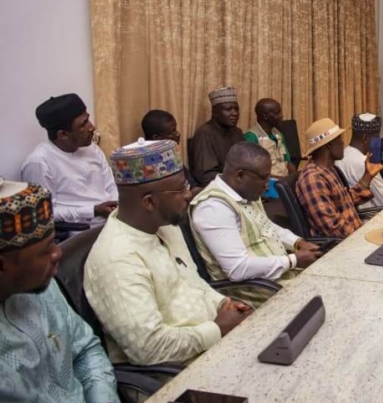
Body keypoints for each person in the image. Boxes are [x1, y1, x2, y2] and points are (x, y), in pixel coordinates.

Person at [84, 139, 252, 366]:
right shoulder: (116, 258)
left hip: (215, 348)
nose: (188, 194)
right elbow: (149, 348)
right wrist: (218, 328)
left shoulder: (166, 226)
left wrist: (224, 304)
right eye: (181, 188)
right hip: (177, 375)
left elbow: (195, 285)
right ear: (150, 202)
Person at [0, 181, 119, 403]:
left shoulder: (43, 287)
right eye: (45, 251)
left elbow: (86, 350)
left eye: (54, 242)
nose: (58, 254)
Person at [190, 142, 322, 307]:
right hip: (256, 293)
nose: (268, 185)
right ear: (240, 176)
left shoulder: (246, 192)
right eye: (264, 178)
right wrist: (293, 260)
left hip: (279, 278)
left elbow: (266, 227)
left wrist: (297, 242)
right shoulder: (213, 207)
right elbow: (238, 269)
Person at [22, 93, 118, 227]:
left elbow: (110, 186)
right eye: (83, 125)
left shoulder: (92, 148)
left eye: (88, 120)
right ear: (63, 135)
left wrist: (118, 206)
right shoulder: (39, 162)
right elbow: (44, 214)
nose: (92, 127)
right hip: (82, 233)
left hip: (114, 222)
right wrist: (92, 211)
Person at [295, 118, 383, 238]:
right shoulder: (313, 179)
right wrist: (365, 235)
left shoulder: (329, 169)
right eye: (339, 140)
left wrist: (367, 176)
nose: (343, 143)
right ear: (329, 145)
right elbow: (333, 227)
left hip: (355, 234)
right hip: (345, 244)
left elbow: (345, 201)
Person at [336, 113, 383, 208]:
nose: (378, 141)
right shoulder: (365, 164)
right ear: (365, 138)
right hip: (371, 216)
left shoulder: (343, 154)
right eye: (377, 137)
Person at [190, 87, 244, 187]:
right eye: (228, 109)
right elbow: (205, 176)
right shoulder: (204, 134)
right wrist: (236, 181)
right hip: (220, 189)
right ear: (215, 112)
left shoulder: (237, 132)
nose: (234, 113)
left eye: (236, 109)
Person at [142, 108, 201, 195]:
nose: (178, 134)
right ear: (156, 138)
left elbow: (192, 187)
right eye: (172, 131)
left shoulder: (170, 156)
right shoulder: (147, 167)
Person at [244, 98, 295, 177]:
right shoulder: (252, 137)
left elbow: (288, 162)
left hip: (283, 182)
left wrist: (295, 178)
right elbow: (253, 172)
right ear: (265, 116)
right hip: (266, 184)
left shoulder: (278, 134)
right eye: (277, 113)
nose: (282, 115)